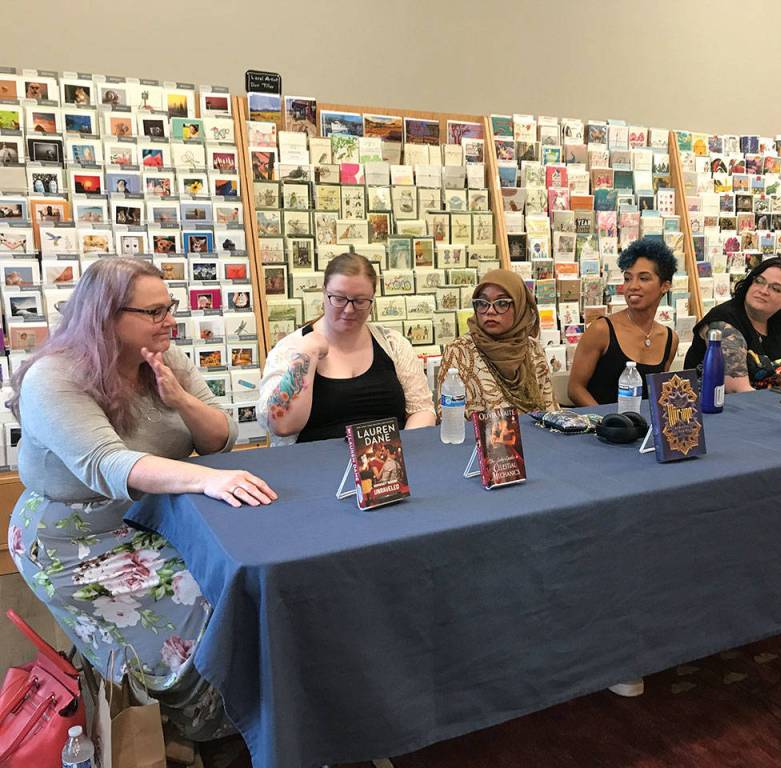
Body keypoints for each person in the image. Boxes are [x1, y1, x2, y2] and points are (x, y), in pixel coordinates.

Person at [5, 258, 276, 741]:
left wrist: (182, 401)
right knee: (194, 615)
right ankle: (198, 724)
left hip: (154, 517)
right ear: (106, 317)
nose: (170, 320)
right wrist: (204, 480)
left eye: (168, 306)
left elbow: (221, 437)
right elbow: (108, 463)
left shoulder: (163, 358)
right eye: (154, 311)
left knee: (229, 589)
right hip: (74, 541)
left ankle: (230, 710)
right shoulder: (53, 377)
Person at [257, 253, 435, 444]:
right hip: (316, 466)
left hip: (386, 465)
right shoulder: (291, 349)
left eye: (360, 301)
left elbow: (422, 410)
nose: (349, 310)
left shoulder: (393, 344)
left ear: (372, 299)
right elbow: (282, 426)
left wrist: (403, 450)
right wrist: (307, 354)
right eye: (339, 298)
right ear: (324, 293)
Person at [569, 239, 680, 405]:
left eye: (643, 278)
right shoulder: (601, 330)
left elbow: (658, 395)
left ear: (665, 286)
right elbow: (575, 388)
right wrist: (607, 423)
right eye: (628, 279)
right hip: (602, 426)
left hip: (644, 427)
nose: (632, 286)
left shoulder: (669, 339)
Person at [435, 269, 557, 415]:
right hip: (479, 437)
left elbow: (551, 412)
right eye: (482, 303)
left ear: (520, 306)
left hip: (536, 436)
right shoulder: (459, 351)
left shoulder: (533, 349)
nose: (490, 311)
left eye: (502, 303)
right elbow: (448, 416)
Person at [684, 257, 781, 392]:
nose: (763, 291)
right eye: (759, 281)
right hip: (718, 409)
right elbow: (739, 391)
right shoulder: (723, 321)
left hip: (767, 408)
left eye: (775, 288)